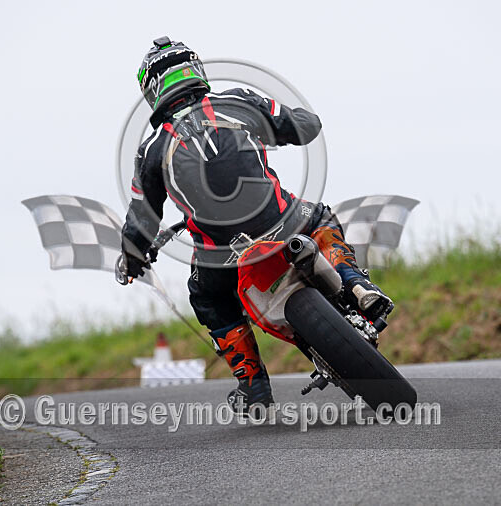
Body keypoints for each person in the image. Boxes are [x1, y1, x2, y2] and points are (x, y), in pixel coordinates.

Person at [120, 37, 392, 412]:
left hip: (221, 254)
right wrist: (301, 122)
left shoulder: (151, 151)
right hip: (284, 220)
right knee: (322, 219)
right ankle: (356, 284)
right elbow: (304, 126)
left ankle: (253, 386)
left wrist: (133, 258)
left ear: (152, 90)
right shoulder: (239, 101)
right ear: (194, 71)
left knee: (207, 297)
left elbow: (140, 218)